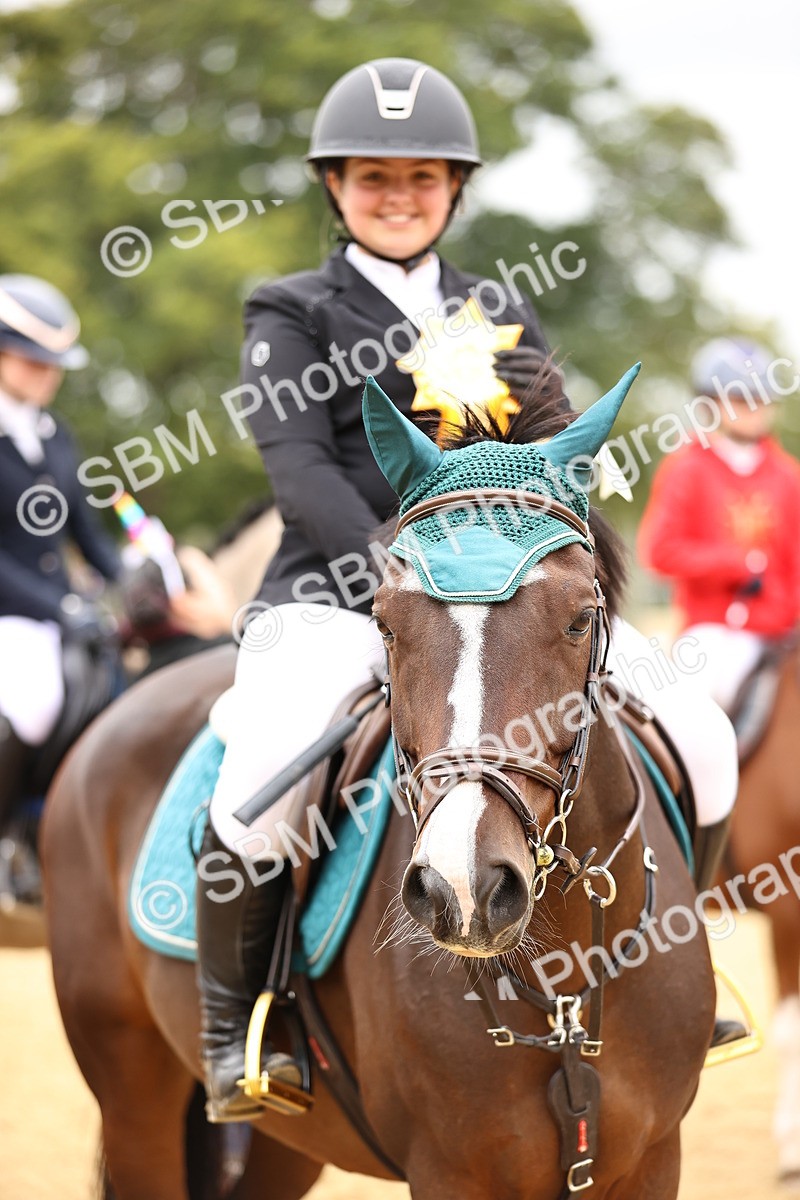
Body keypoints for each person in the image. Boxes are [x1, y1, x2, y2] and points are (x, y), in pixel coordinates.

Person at [197, 58, 738, 1122]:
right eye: (372, 178)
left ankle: (672, 968)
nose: (397, 197)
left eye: (420, 178)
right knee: (260, 776)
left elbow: (553, 455)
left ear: (452, 189)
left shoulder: (496, 307)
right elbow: (300, 473)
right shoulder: (289, 309)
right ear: (334, 187)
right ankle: (244, 1024)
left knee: (702, 734)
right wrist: (403, 576)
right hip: (346, 590)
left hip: (510, 599)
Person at [0, 275, 123, 829]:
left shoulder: (55, 435)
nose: (47, 375)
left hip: (61, 613)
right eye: (32, 362)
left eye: (53, 364)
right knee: (34, 701)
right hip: (14, 616)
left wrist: (132, 578)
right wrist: (62, 608)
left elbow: (86, 533)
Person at [638, 337, 800, 712]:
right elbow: (660, 552)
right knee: (697, 703)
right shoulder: (686, 468)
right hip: (711, 632)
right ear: (711, 404)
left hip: (780, 630)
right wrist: (737, 565)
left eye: (761, 400)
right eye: (742, 400)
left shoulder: (788, 476)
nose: (754, 410)